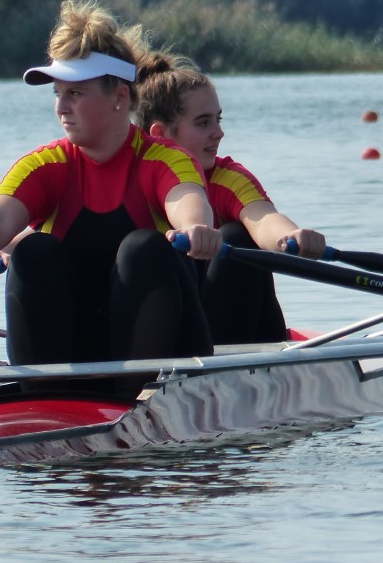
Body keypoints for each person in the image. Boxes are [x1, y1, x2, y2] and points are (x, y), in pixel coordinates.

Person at [0, 0, 221, 393]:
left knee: (143, 248)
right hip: (77, 354)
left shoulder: (164, 159)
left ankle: (132, 395)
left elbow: (185, 198)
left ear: (119, 97)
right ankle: (44, 396)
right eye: (58, 94)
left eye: (76, 94)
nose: (61, 107)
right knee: (33, 251)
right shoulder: (46, 165)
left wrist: (196, 227)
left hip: (166, 359)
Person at [134, 52, 326, 345]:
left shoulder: (227, 178)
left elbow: (263, 218)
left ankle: (226, 364)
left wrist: (291, 237)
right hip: (169, 329)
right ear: (160, 134)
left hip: (233, 332)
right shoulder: (132, 175)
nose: (219, 133)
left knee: (236, 236)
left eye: (218, 120)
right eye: (203, 123)